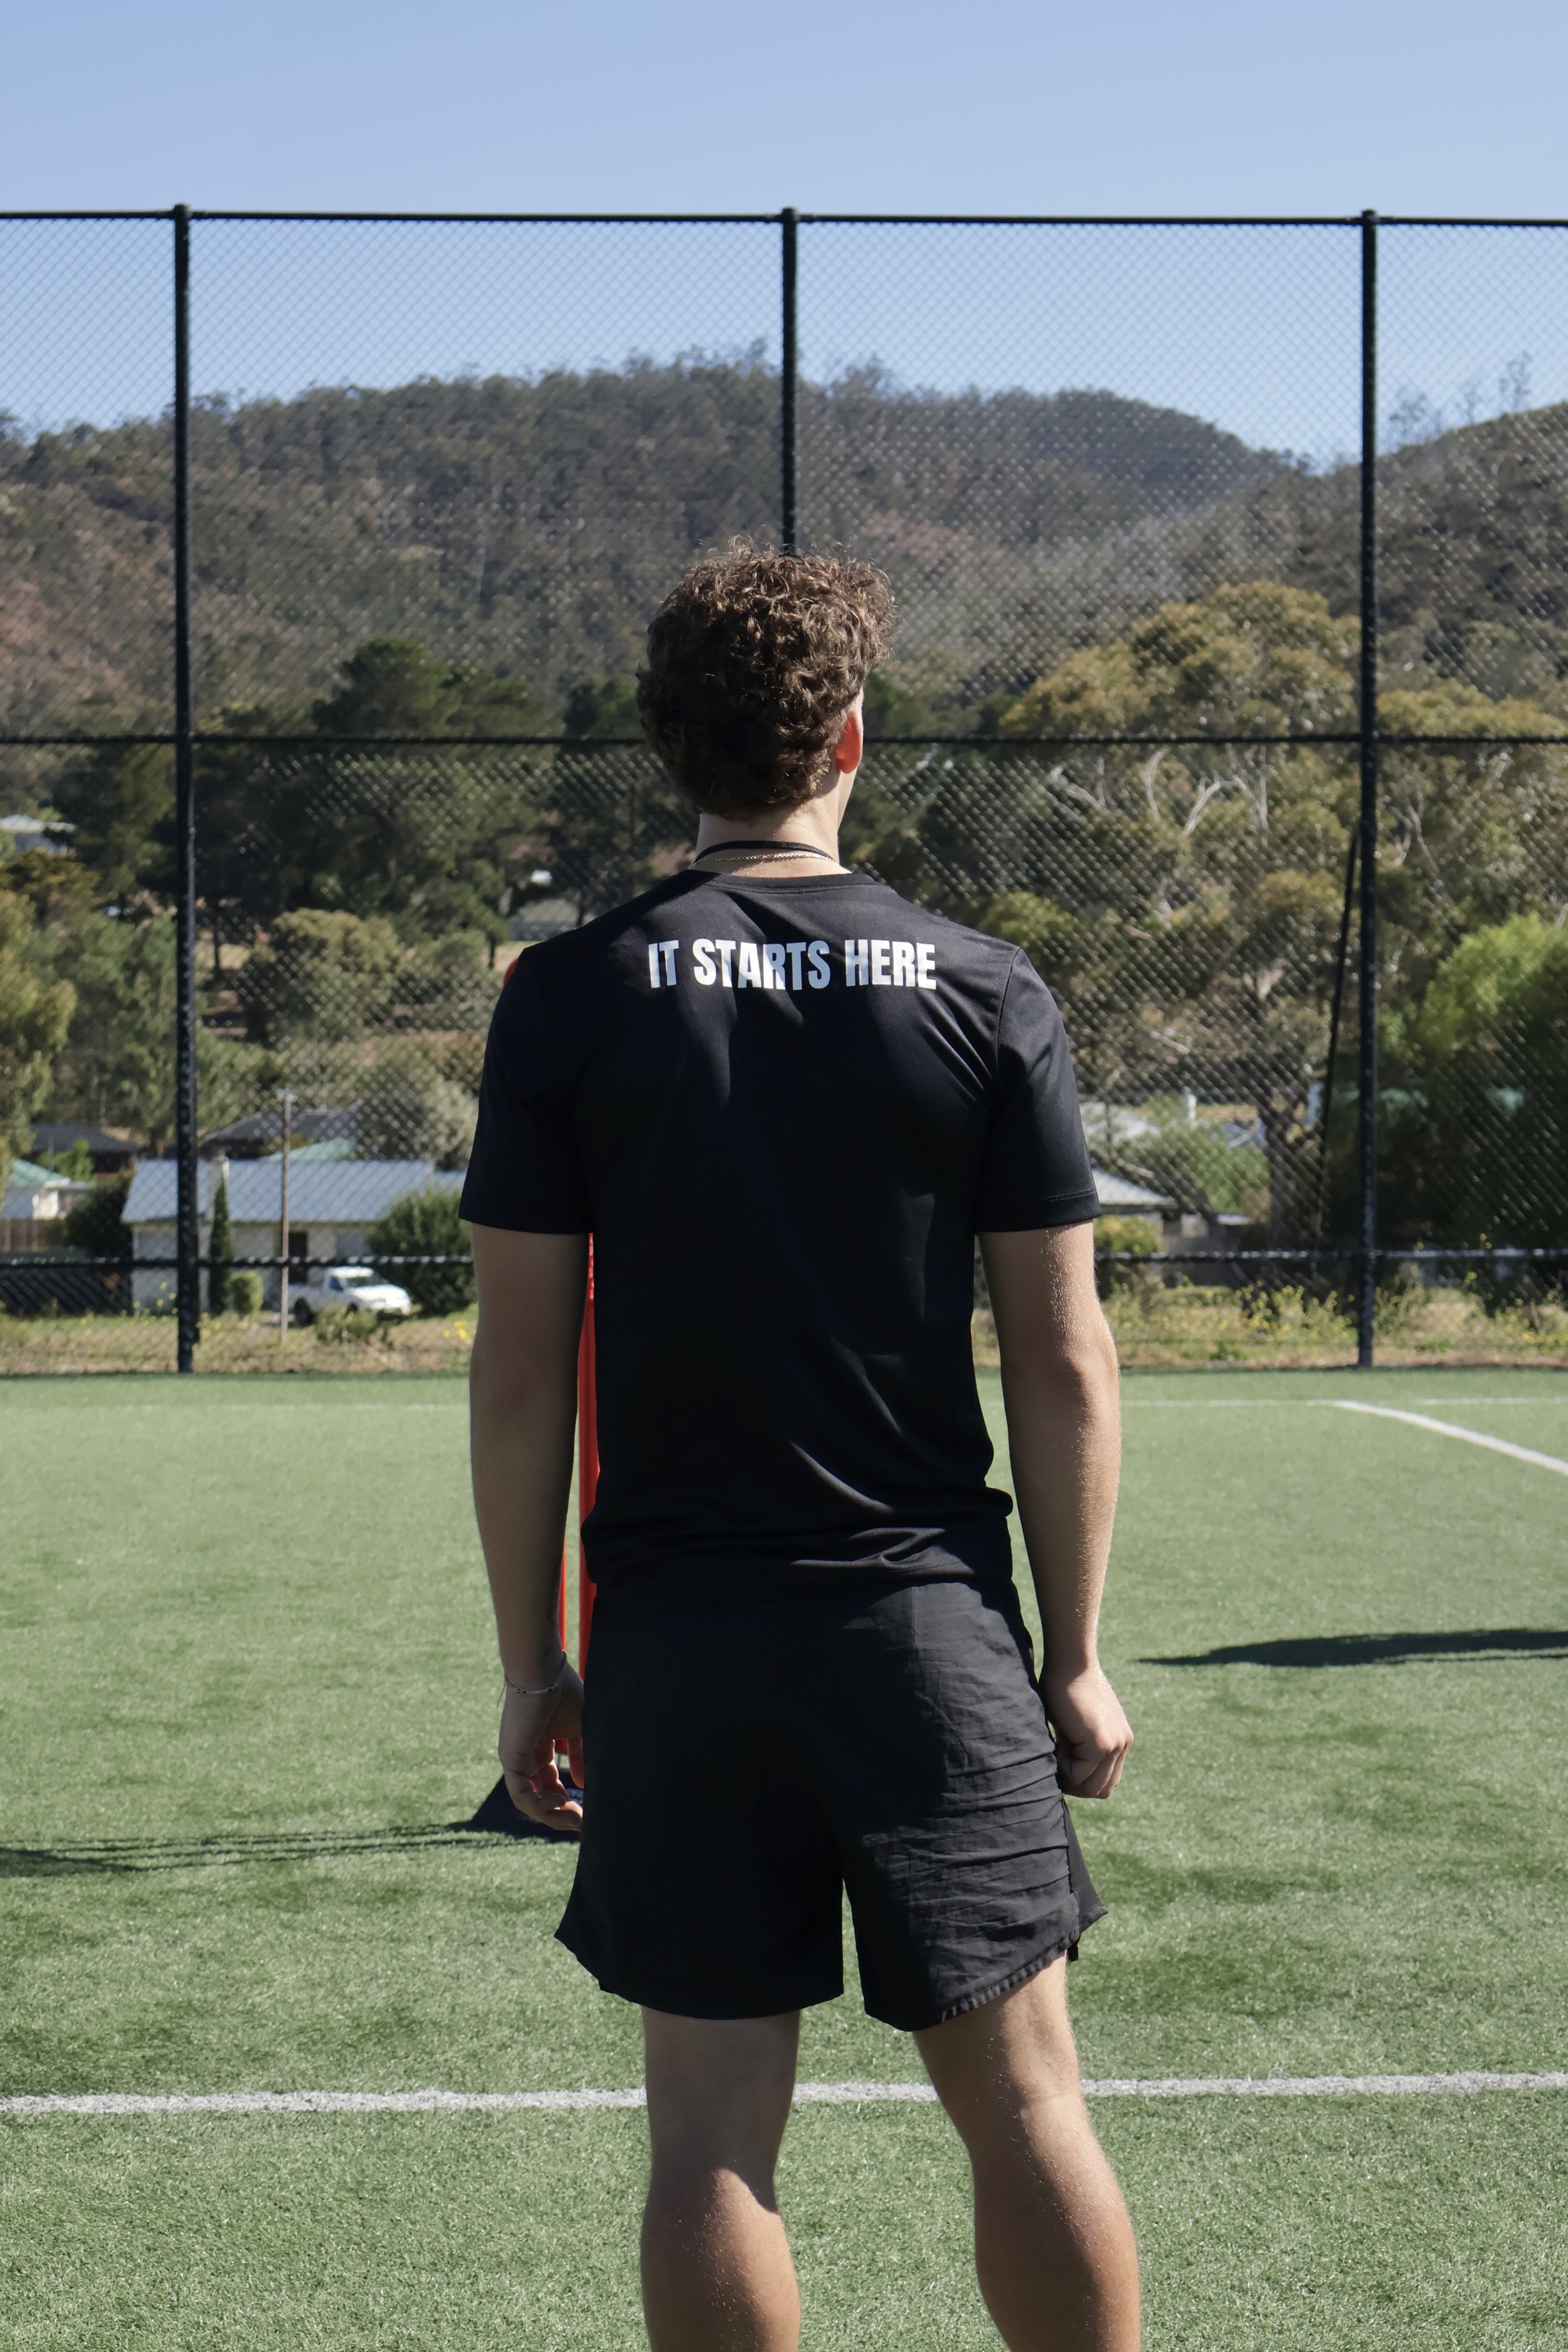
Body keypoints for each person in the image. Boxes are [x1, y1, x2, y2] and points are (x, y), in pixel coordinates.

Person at [462, 547, 1140, 2352]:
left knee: (705, 2141)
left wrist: (538, 1661)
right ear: (850, 732)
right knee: (1024, 2106)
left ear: (669, 747)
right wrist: (1070, 1657)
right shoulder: (984, 990)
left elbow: (519, 1375)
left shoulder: (568, 996)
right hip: (921, 1634)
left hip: (676, 1640)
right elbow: (1061, 1358)